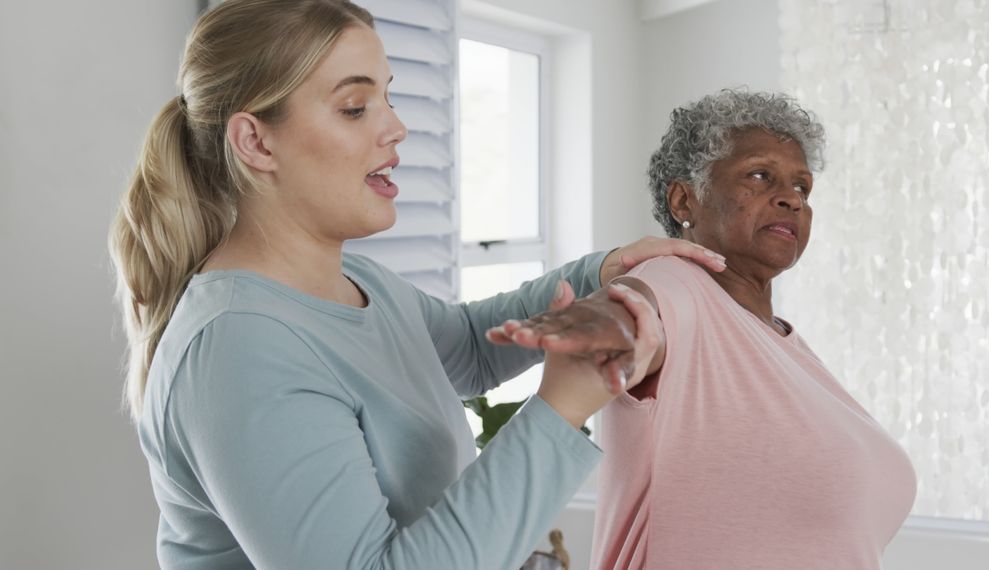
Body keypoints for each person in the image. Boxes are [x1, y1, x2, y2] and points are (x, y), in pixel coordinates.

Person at [106, 1, 727, 568]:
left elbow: (464, 345)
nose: (396, 127)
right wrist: (561, 407)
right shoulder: (238, 348)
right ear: (255, 141)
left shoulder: (355, 279)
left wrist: (599, 273)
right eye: (355, 107)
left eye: (388, 98)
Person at [498, 90, 917, 569]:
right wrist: (602, 323)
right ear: (684, 199)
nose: (791, 199)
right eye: (760, 176)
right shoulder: (678, 284)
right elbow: (637, 307)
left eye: (802, 187)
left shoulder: (780, 341)